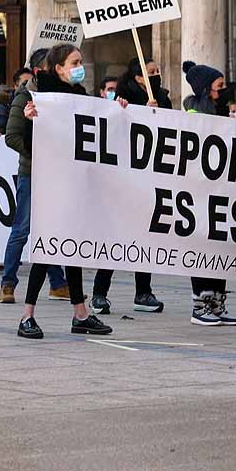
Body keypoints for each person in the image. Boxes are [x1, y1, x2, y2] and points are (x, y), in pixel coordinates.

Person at [15, 44, 113, 339]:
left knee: (72, 246)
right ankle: (27, 316)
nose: (80, 66)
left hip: (73, 179)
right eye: (75, 62)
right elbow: (18, 137)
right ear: (58, 67)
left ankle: (80, 313)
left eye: (81, 61)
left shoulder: (81, 97)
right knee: (48, 245)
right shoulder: (38, 96)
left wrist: (122, 109)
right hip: (47, 179)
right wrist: (32, 120)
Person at [90, 72, 165, 315]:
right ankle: (99, 294)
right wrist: (130, 111)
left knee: (144, 238)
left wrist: (155, 111)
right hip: (121, 180)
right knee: (115, 238)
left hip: (148, 180)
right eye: (150, 71)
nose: (156, 75)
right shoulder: (118, 105)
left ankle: (143, 292)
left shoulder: (161, 98)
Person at [0, 53, 68, 304]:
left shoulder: (63, 96)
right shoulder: (25, 97)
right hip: (32, 173)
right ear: (42, 71)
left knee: (50, 228)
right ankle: (8, 283)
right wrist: (39, 152)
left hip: (57, 174)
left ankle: (58, 284)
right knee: (22, 228)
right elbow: (12, 136)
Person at [183, 61, 236, 326]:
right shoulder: (191, 110)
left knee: (221, 245)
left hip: (222, 189)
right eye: (219, 87)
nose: (224, 91)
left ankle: (217, 302)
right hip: (199, 190)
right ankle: (201, 303)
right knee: (203, 246)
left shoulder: (223, 111)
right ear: (206, 89)